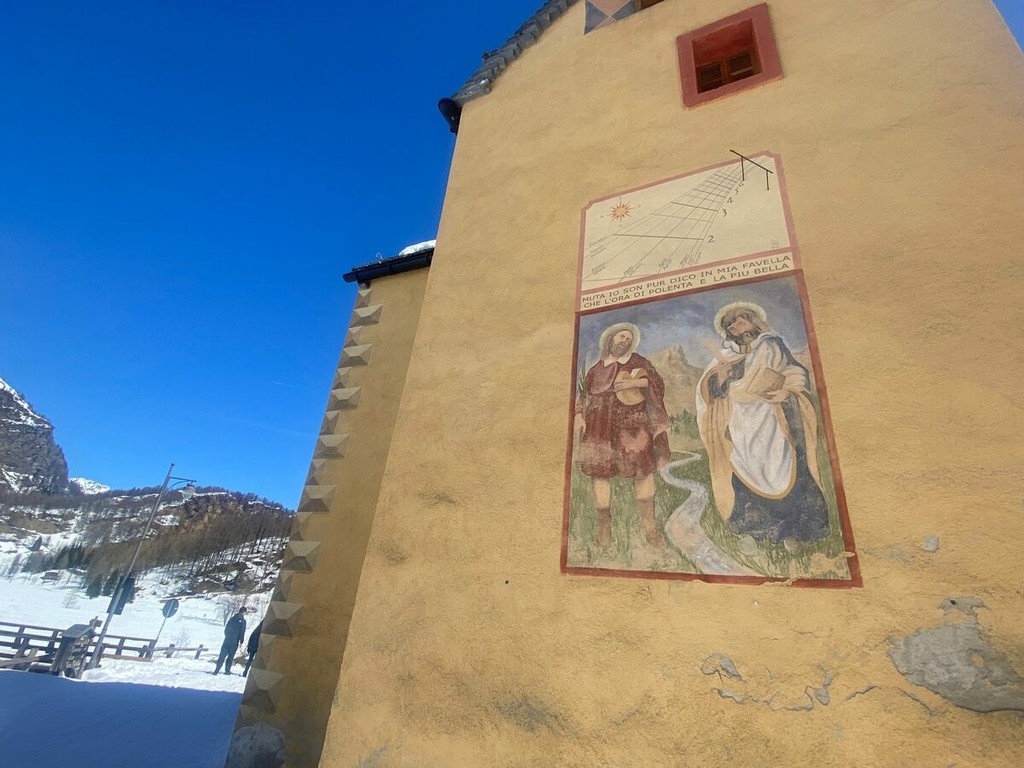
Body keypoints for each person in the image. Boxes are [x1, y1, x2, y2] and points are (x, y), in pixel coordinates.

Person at [696, 302, 830, 546]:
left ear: (753, 321)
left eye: (742, 319)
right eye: (732, 325)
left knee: (788, 469)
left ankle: (794, 530)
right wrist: (721, 378)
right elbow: (711, 391)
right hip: (740, 425)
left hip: (774, 419)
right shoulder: (727, 356)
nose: (738, 326)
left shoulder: (771, 344)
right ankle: (757, 532)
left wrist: (788, 391)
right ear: (729, 332)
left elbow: (794, 372)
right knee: (743, 469)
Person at [575, 321, 671, 549]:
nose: (625, 341)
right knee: (599, 472)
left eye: (629, 338)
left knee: (642, 471)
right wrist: (579, 415)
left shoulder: (638, 362)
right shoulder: (595, 370)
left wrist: (636, 382)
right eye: (622, 337)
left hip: (633, 424)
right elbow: (583, 396)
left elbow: (657, 383)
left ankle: (651, 529)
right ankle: (604, 528)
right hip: (599, 426)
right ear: (610, 340)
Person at [213, 607, 247, 675]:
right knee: (230, 657)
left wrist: (227, 636)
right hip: (234, 642)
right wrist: (241, 641)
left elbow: (226, 629)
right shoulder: (243, 621)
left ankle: (217, 669)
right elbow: (242, 632)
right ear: (244, 612)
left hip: (227, 640)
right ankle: (227, 670)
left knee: (222, 656)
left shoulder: (232, 618)